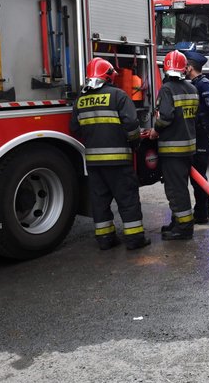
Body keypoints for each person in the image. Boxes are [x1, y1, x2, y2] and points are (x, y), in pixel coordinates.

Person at [70, 58, 149, 250]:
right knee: (127, 199)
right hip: (119, 161)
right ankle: (134, 240)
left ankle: (105, 239)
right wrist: (135, 141)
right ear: (109, 75)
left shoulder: (80, 100)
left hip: (94, 163)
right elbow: (131, 125)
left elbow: (74, 127)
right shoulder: (118, 96)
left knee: (99, 201)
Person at [150, 51, 199, 240]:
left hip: (172, 149)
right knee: (181, 187)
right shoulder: (192, 88)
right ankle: (177, 222)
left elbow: (166, 117)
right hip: (188, 147)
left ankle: (184, 228)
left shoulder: (167, 89)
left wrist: (156, 130)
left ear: (165, 68)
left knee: (175, 190)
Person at [184, 49, 209, 224]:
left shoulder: (202, 85)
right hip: (199, 136)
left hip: (202, 137)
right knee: (197, 177)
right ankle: (203, 212)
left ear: (189, 67)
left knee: (199, 177)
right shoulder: (196, 84)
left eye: (185, 66)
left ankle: (202, 214)